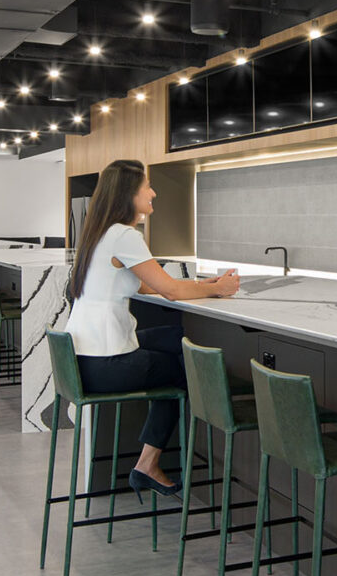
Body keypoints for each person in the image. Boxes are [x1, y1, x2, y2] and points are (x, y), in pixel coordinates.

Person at [67, 159, 240, 498]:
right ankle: (148, 463)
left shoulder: (99, 233)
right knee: (180, 370)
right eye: (147, 186)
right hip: (106, 364)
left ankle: (150, 460)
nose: (153, 191)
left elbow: (148, 286)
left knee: (177, 339)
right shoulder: (124, 235)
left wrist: (203, 284)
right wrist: (217, 290)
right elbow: (171, 291)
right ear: (128, 194)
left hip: (85, 358)